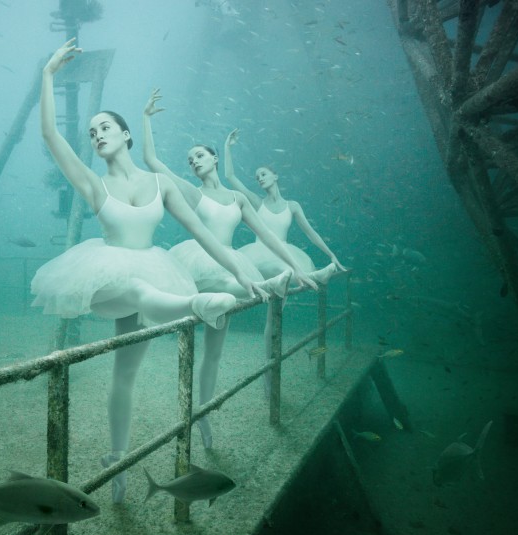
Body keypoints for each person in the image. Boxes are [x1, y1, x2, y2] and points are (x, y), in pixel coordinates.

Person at [31, 40, 271, 504]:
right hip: (106, 281)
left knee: (125, 375)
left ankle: (117, 462)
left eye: (104, 127)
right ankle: (196, 305)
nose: (96, 135)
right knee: (140, 291)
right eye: (91, 132)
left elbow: (203, 234)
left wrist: (242, 274)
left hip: (150, 275)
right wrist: (47, 75)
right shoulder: (94, 183)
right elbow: (49, 137)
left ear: (125, 135)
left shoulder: (161, 184)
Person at [142, 89, 337, 450]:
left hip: (231, 264)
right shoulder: (192, 192)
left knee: (213, 351)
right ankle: (273, 284)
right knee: (240, 286)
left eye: (199, 155)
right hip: (202, 265)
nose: (193, 162)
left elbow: (269, 239)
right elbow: (152, 160)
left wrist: (297, 265)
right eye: (189, 159)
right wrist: (147, 118)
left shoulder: (239, 199)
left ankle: (203, 420)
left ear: (214, 158)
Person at [224, 127, 346, 399]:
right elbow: (231, 177)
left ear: (276, 176)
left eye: (263, 173)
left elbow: (310, 232)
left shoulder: (292, 205)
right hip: (260, 255)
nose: (259, 178)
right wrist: (228, 147)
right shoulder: (256, 202)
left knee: (275, 316)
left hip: (284, 256)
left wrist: (331, 255)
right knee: (287, 273)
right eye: (257, 177)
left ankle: (269, 377)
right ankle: (313, 275)